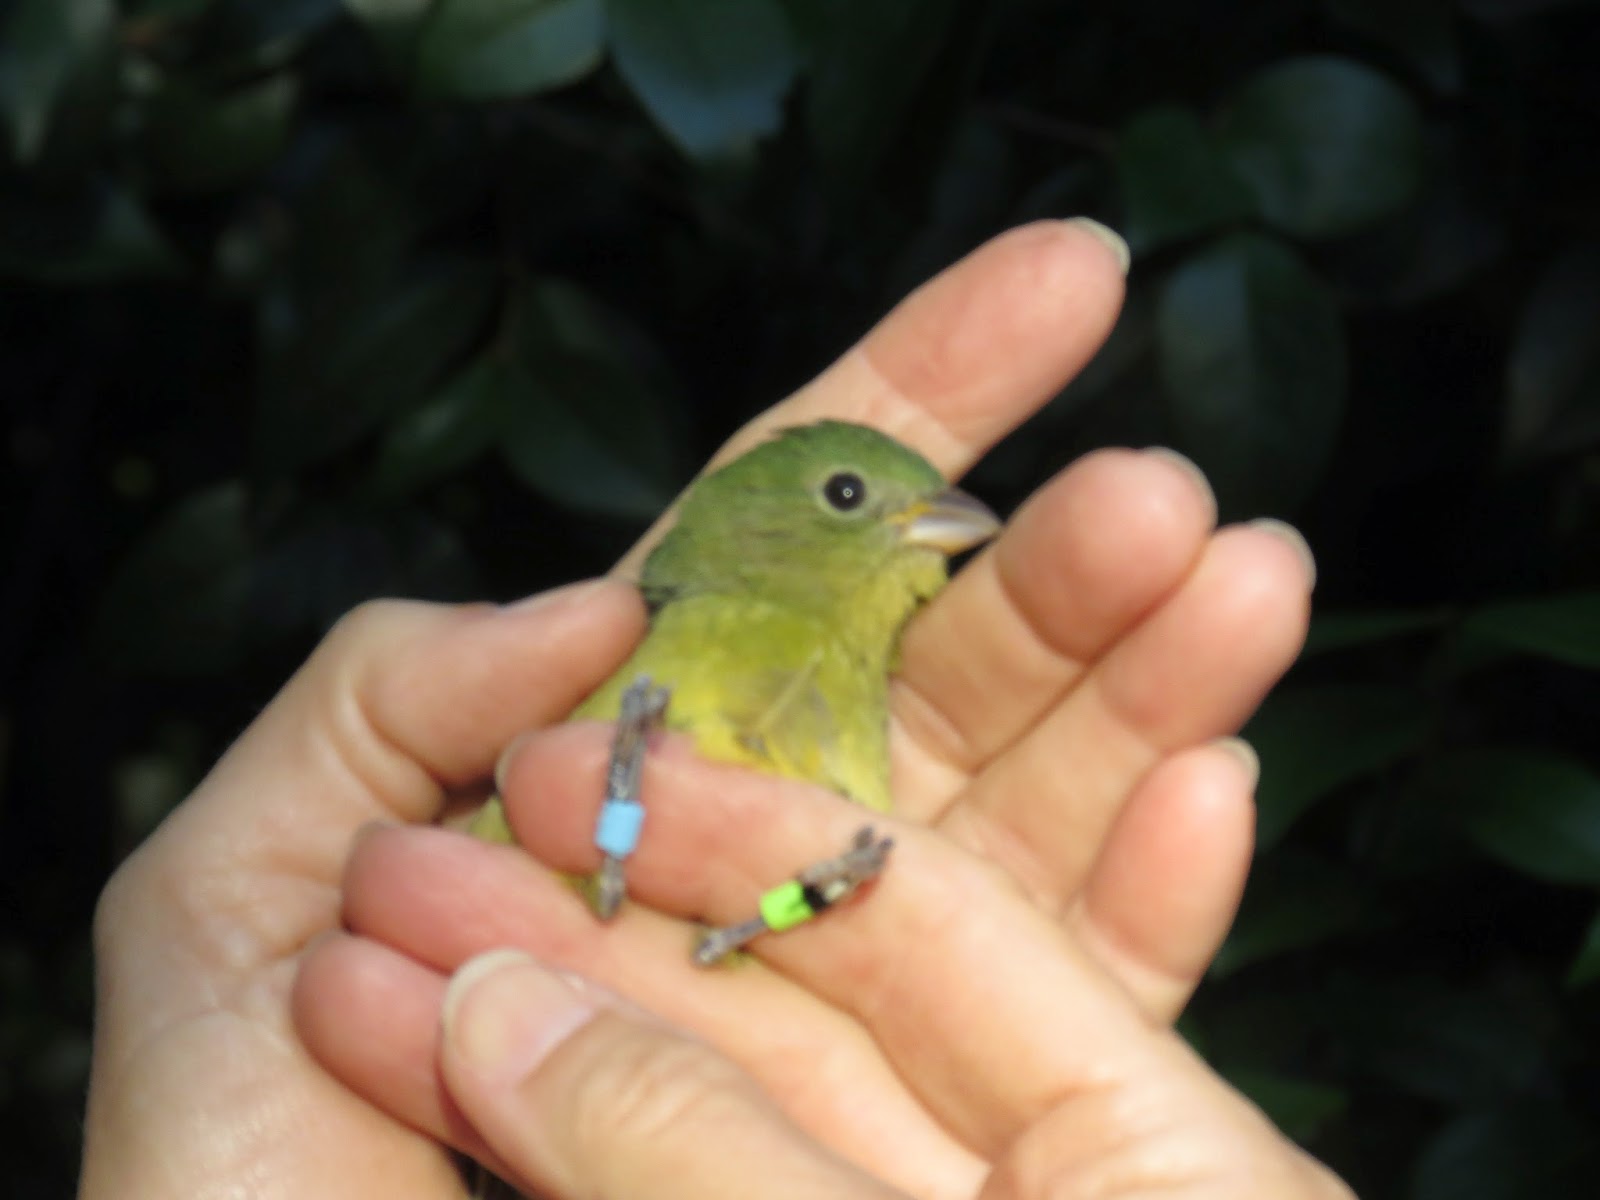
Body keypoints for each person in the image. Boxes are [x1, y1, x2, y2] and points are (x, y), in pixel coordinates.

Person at [80, 221, 1353, 1199]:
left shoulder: (856, 725)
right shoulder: (658, 638)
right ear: (753, 525)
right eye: (852, 497)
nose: (937, 525)